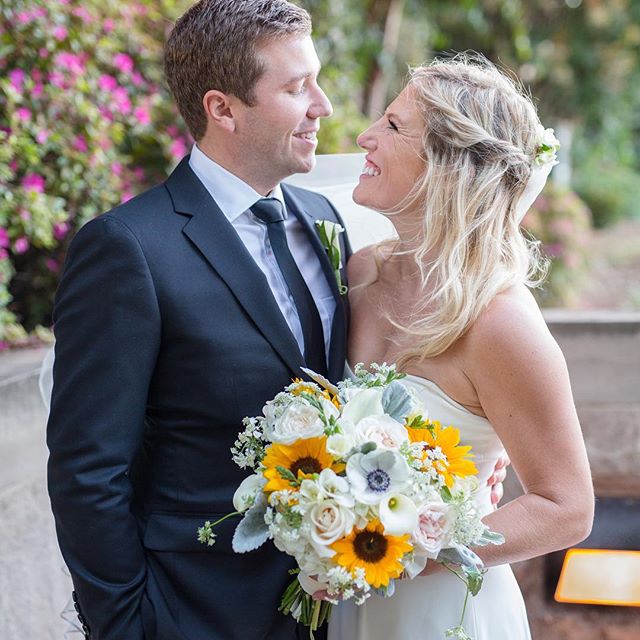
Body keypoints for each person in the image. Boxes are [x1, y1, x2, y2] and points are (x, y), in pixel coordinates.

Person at [46, 2, 508, 639]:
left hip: (334, 606)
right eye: (296, 88)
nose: (322, 104)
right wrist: (127, 622)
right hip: (192, 610)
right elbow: (87, 469)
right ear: (223, 109)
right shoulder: (129, 248)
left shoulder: (324, 221)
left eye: (316, 79)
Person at [327, 55, 594, 639]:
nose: (365, 137)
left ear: (449, 167)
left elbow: (566, 507)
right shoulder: (362, 274)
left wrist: (402, 550)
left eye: (394, 127)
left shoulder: (500, 323)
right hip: (349, 605)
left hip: (447, 612)